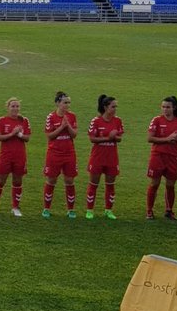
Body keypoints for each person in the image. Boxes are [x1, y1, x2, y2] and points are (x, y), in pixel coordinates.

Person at [0, 97, 30, 217]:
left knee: (17, 181)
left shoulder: (24, 120)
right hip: (5, 156)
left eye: (17, 106)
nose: (15, 108)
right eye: (13, 106)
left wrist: (20, 134)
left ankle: (15, 207)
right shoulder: (2, 120)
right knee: (0, 181)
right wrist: (12, 133)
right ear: (8, 108)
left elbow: (27, 138)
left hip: (20, 156)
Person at [145, 96, 177, 220]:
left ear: (174, 107)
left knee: (170, 185)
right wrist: (168, 139)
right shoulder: (156, 120)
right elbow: (150, 138)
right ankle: (149, 211)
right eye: (163, 107)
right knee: (154, 183)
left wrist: (174, 138)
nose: (165, 109)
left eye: (168, 107)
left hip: (172, 157)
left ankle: (169, 210)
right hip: (158, 156)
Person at [41, 91, 79, 219]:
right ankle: (46, 208)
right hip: (54, 153)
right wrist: (61, 127)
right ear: (58, 103)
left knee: (69, 180)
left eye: (68, 103)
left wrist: (67, 126)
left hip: (69, 153)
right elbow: (49, 136)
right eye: (65, 103)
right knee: (51, 180)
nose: (67, 105)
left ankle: (71, 210)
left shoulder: (72, 116)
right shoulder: (51, 117)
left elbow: (74, 135)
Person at [85, 94, 122, 220]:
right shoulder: (96, 121)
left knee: (110, 184)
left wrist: (115, 137)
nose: (115, 109)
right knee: (93, 184)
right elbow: (92, 139)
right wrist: (109, 138)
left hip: (112, 157)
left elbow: (120, 138)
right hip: (97, 157)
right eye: (113, 106)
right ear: (106, 107)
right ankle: (90, 210)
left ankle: (108, 210)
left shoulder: (117, 121)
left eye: (116, 106)